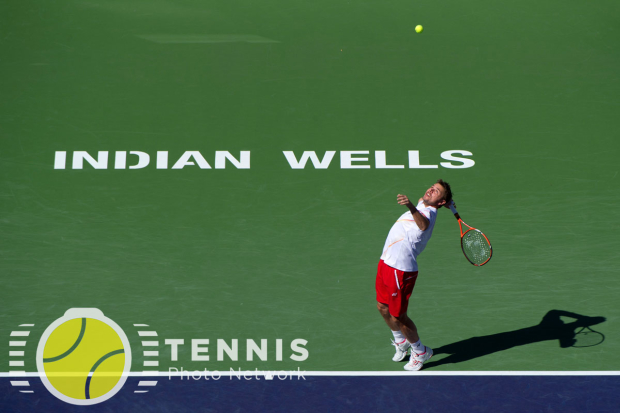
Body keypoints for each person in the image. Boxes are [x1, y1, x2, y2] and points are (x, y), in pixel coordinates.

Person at [375, 179, 453, 371]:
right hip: (386, 262)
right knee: (382, 307)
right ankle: (401, 341)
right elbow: (424, 199)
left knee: (399, 316)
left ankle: (420, 351)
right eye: (432, 187)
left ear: (440, 203)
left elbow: (423, 225)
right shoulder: (424, 203)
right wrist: (450, 204)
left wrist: (410, 205)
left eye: (436, 192)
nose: (431, 190)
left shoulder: (427, 213)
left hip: (400, 270)